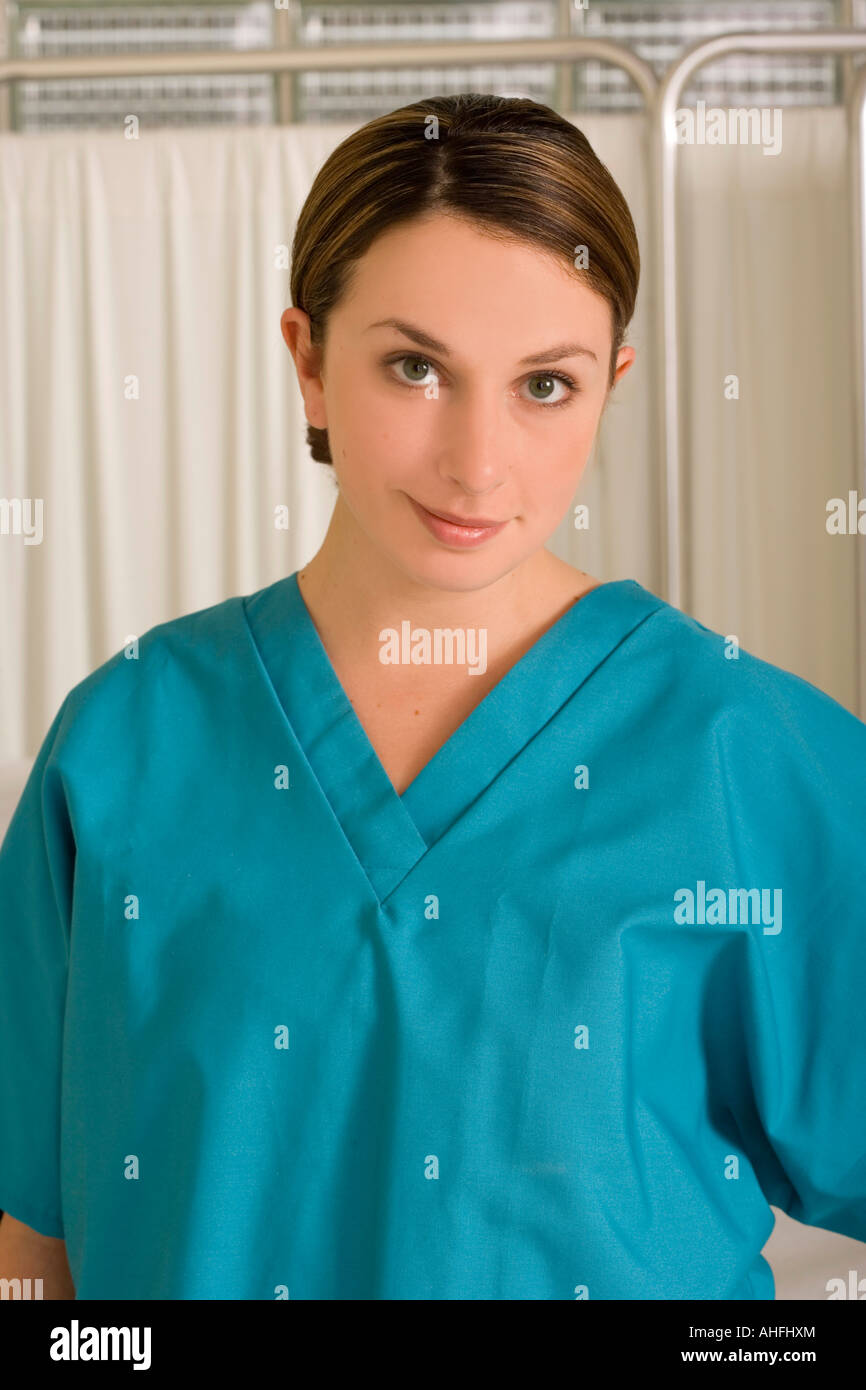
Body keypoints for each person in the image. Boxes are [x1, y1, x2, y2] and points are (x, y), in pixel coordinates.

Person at [1, 93, 864, 1301]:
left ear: (611, 382)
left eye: (544, 385)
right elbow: (32, 1245)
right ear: (306, 359)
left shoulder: (753, 757)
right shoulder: (124, 748)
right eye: (414, 367)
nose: (476, 461)